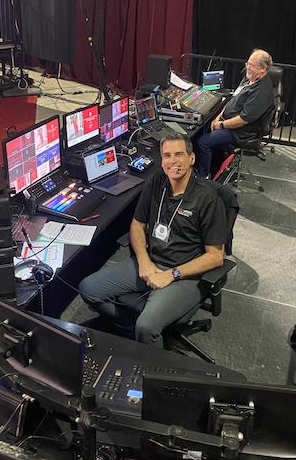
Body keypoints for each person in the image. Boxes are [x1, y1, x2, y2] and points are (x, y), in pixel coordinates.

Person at [78, 135, 227, 345]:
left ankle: (151, 365)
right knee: (89, 289)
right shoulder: (157, 181)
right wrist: (144, 261)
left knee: (147, 327)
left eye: (179, 154)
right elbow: (137, 225)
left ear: (192, 158)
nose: (172, 161)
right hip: (150, 262)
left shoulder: (208, 198)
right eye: (167, 155)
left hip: (184, 274)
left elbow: (216, 257)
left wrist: (172, 274)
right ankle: (131, 330)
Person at [196, 49, 275, 177]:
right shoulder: (249, 79)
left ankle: (204, 178)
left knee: (203, 142)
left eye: (251, 65)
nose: (247, 67)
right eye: (247, 63)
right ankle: (217, 164)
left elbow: (243, 119)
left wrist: (220, 125)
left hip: (240, 132)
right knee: (204, 128)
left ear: (263, 68)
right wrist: (219, 117)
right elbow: (233, 99)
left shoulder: (261, 91)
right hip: (228, 124)